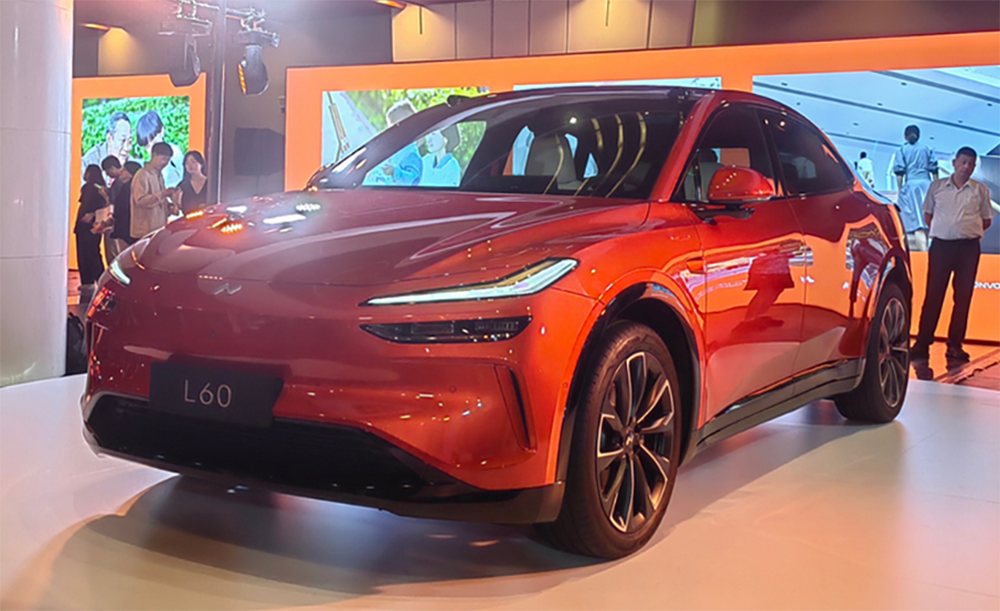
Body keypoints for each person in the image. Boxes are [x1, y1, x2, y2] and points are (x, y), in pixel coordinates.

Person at [910, 147, 993, 364]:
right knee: (933, 295)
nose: (966, 167)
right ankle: (922, 344)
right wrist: (946, 230)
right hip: (941, 247)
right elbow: (928, 216)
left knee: (963, 297)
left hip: (968, 249)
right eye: (963, 162)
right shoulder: (936, 187)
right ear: (954, 162)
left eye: (971, 164)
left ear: (974, 167)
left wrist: (964, 231)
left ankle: (955, 345)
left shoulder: (980, 190)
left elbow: (986, 220)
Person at [894, 125, 939, 251]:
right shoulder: (927, 149)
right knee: (930, 221)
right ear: (919, 136)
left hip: (911, 188)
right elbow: (934, 170)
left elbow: (899, 173)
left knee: (917, 225)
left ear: (905, 136)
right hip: (927, 186)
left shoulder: (902, 150)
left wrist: (900, 190)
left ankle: (924, 253)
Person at [365, 101, 423, 186]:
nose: (399, 132)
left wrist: (394, 172)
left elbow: (413, 180)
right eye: (394, 127)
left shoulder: (411, 154)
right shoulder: (391, 151)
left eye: (405, 126)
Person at [131, 142, 179, 240]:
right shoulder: (142, 175)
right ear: (154, 155)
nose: (165, 163)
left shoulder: (159, 175)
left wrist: (169, 207)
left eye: (168, 160)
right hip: (145, 231)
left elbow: (159, 201)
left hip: (158, 229)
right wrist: (164, 194)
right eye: (163, 159)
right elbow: (140, 200)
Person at [75, 165, 111, 296]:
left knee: (84, 253)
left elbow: (84, 204)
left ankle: (88, 280)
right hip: (96, 225)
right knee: (94, 252)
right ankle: (100, 279)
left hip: (83, 225)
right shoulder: (102, 189)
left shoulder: (88, 188)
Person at [136, 110, 184, 187]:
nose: (152, 149)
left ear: (162, 131)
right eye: (147, 146)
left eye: (155, 142)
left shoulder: (175, 154)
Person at [82, 111, 131, 181]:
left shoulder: (132, 165)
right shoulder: (89, 161)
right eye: (122, 140)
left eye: (129, 141)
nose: (127, 148)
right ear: (109, 138)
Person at [109, 161, 140, 253]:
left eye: (124, 170)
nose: (121, 172)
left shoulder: (127, 187)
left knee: (125, 254)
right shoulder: (134, 186)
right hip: (133, 226)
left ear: (131, 173)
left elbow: (122, 208)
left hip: (125, 226)